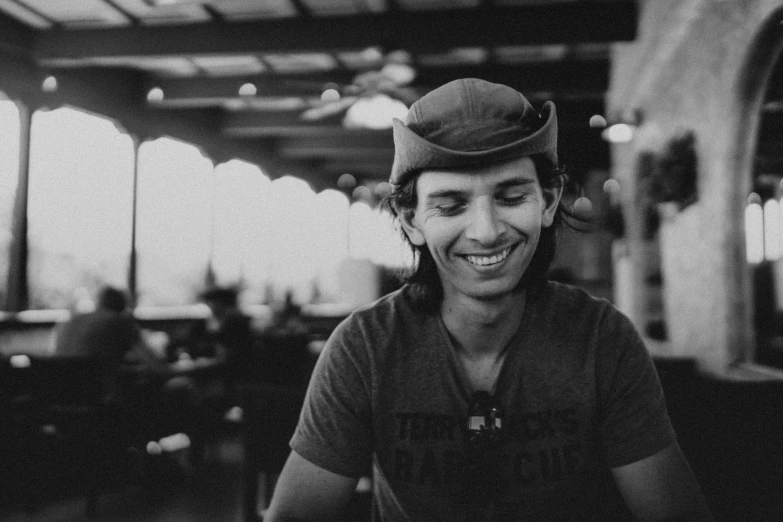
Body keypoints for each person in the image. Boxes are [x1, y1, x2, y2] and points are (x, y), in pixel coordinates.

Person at [265, 79, 713, 521]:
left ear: (549, 200)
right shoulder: (365, 348)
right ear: (412, 218)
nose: (486, 231)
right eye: (451, 205)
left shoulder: (602, 339)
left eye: (511, 196)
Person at [55, 285, 166, 399]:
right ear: (123, 306)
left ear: (99, 302)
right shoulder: (119, 321)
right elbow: (154, 365)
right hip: (98, 400)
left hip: (60, 397)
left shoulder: (69, 321)